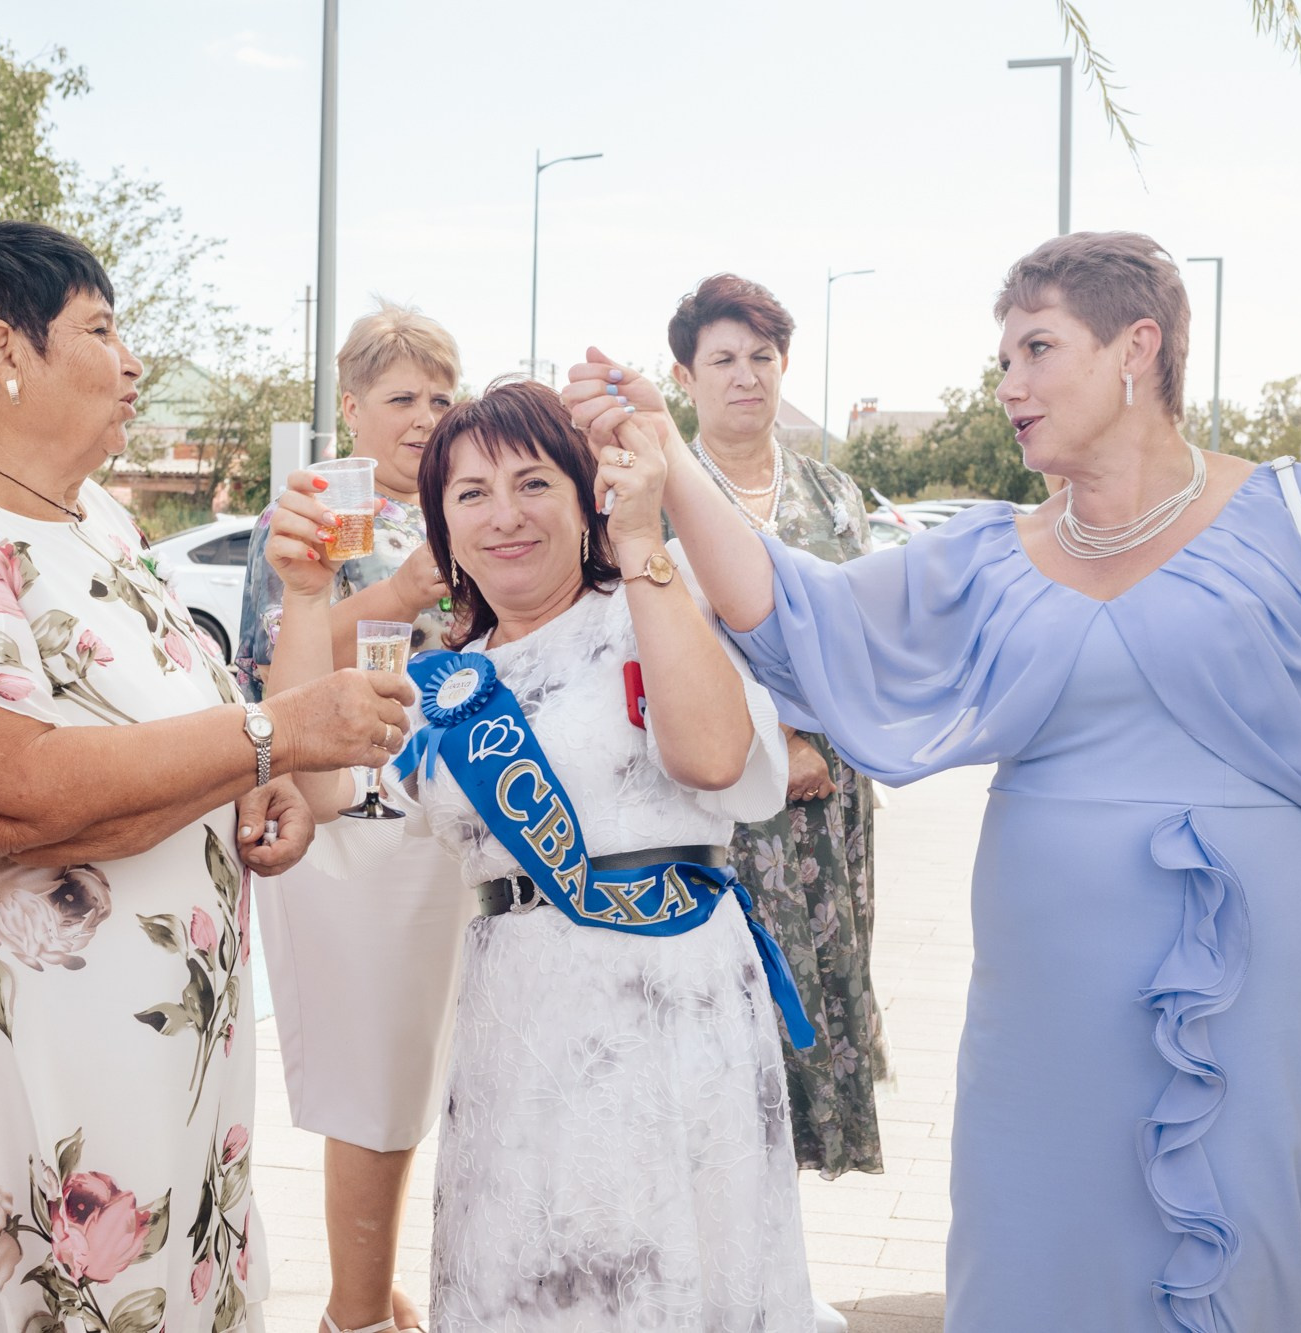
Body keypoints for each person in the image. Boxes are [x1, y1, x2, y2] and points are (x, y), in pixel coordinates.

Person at [569, 231, 1301, 1332]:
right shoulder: (986, 555)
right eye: (1000, 358)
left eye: (1034, 350)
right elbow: (792, 609)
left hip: (1258, 991)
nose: (1005, 386)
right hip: (1043, 1003)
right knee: (1028, 1261)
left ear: (1134, 348)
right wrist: (666, 455)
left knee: (1237, 1254)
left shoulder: (1294, 522)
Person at [0, 221, 412, 1331]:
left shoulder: (96, 517)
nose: (133, 360)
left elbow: (166, 730)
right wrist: (266, 737)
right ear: (7, 350)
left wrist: (249, 774)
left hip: (148, 1040)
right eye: (100, 328)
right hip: (28, 1039)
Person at [270, 378, 816, 1333]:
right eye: (470, 495)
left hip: (672, 997)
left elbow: (711, 754)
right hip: (519, 1014)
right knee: (533, 1269)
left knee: (679, 1269)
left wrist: (645, 544)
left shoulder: (649, 605)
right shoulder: (436, 687)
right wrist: (308, 599)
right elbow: (316, 789)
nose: (504, 516)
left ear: (583, 499)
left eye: (533, 483)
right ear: (441, 528)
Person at [233, 301, 470, 1333]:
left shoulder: (474, 497)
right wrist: (403, 590)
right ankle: (355, 1311)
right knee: (372, 1079)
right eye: (403, 396)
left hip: (457, 821)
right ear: (353, 405)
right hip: (351, 828)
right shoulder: (310, 510)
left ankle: (377, 1294)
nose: (425, 414)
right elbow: (266, 668)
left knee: (426, 1074)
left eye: (440, 395)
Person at [666, 274, 886, 1181]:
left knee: (820, 1007)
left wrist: (822, 739)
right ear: (685, 377)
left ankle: (783, 1273)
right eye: (723, 358)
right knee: (730, 1017)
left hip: (828, 801)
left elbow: (866, 634)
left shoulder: (834, 493)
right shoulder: (661, 492)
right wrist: (772, 739)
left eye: (762, 356)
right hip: (719, 801)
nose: (745, 376)